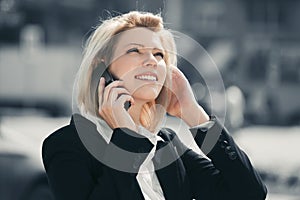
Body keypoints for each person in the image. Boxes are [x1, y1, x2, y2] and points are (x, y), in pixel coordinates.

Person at [42, 11, 267, 200]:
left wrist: (194, 114)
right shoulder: (66, 144)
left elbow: (250, 193)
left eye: (159, 54)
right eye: (134, 51)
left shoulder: (167, 146)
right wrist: (127, 138)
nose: (152, 60)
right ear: (103, 67)